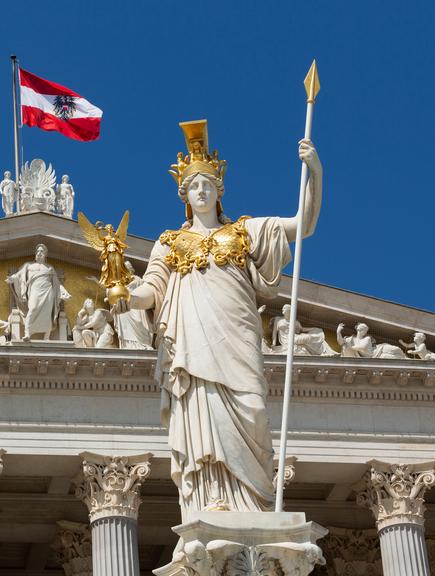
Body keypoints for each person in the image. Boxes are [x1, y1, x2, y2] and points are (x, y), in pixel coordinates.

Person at [111, 120, 323, 521]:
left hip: (236, 339)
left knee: (253, 411)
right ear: (185, 195)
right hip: (193, 347)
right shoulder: (170, 243)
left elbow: (303, 224)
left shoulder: (245, 232)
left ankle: (254, 503)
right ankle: (212, 499)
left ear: (219, 190)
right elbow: (151, 290)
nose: (202, 190)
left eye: (208, 184)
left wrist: (315, 171)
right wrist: (125, 298)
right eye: (195, 186)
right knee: (202, 416)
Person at [6, 244, 70, 341]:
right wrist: (13, 278)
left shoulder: (49, 268)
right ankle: (27, 333)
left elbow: (56, 284)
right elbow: (19, 275)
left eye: (42, 251)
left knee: (48, 314)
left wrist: (64, 292)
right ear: (35, 254)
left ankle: (46, 336)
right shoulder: (28, 266)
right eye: (38, 251)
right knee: (33, 309)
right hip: (35, 291)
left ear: (45, 255)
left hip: (48, 291)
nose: (39, 253)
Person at [270, 304, 338, 356]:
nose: (283, 310)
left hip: (294, 338)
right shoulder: (278, 319)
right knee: (310, 337)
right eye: (283, 309)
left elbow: (302, 329)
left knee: (313, 336)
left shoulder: (295, 322)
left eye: (284, 309)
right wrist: (273, 344)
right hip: (286, 340)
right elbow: (274, 332)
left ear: (289, 311)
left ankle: (326, 351)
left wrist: (315, 328)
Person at [113, 261, 153, 349]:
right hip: (125, 308)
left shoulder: (138, 280)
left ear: (130, 270)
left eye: (126, 269)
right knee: (124, 318)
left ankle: (142, 343)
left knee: (139, 322)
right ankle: (127, 345)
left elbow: (145, 293)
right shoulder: (121, 283)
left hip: (137, 305)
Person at [337, 322, 406, 359]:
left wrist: (350, 347)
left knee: (395, 349)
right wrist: (338, 332)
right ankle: (405, 359)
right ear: (358, 329)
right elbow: (341, 342)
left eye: (366, 330)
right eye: (364, 329)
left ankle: (405, 357)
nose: (365, 332)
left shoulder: (367, 338)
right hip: (374, 357)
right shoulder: (350, 339)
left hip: (378, 350)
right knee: (388, 357)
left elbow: (362, 347)